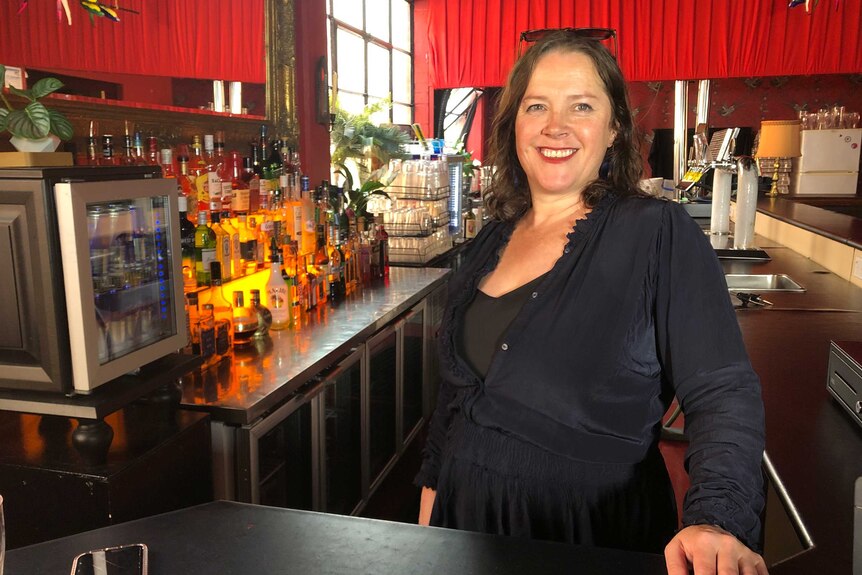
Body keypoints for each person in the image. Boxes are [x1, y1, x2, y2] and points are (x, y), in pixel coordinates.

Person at [414, 30, 768, 575]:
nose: (556, 126)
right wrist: (425, 531)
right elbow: (453, 407)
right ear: (515, 127)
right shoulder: (492, 239)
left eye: (581, 106)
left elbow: (722, 390)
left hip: (592, 534)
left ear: (614, 128)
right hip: (464, 532)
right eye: (537, 106)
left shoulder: (656, 233)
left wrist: (717, 519)